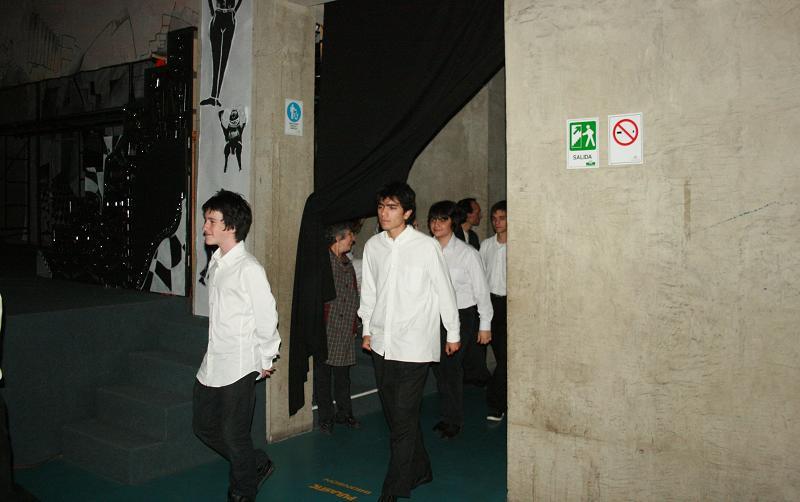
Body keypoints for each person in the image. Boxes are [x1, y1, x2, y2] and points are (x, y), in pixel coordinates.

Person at [359, 181, 460, 501]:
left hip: (414, 345)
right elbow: (369, 291)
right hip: (381, 343)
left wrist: (453, 332)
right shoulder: (373, 246)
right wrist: (367, 328)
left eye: (392, 207)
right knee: (396, 415)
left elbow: (445, 290)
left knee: (402, 419)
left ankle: (394, 488)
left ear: (407, 213)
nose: (384, 213)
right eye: (381, 206)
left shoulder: (426, 247)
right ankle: (421, 468)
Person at [193, 190, 281, 502]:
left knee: (234, 434)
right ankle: (255, 462)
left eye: (211, 221)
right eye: (206, 220)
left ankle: (243, 491)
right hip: (214, 361)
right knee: (203, 426)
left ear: (230, 226)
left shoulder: (249, 268)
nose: (205, 226)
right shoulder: (217, 262)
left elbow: (267, 316)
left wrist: (266, 357)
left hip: (241, 363)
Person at [427, 201, 493, 439]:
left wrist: (485, 325)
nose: (436, 224)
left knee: (451, 368)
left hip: (462, 316)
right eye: (433, 219)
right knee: (439, 368)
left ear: (452, 222)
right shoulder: (427, 249)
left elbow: (482, 291)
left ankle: (453, 420)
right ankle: (447, 414)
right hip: (433, 316)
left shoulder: (467, 253)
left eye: (442, 219)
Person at [314, 221, 361, 434]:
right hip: (326, 328)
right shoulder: (323, 262)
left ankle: (345, 413)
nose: (353, 239)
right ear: (338, 238)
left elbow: (352, 294)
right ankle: (326, 418)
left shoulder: (347, 263)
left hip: (345, 328)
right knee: (323, 376)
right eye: (350, 235)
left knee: (343, 377)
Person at [480, 200, 507, 422]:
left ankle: (496, 402)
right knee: (501, 357)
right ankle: (503, 399)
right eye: (494, 218)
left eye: (502, 218)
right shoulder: (487, 245)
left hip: (513, 305)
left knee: (507, 359)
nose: (497, 222)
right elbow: (480, 277)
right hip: (491, 304)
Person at [201, 0, 243, 106]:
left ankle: (216, 97)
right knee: (216, 56)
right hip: (218, 14)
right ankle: (212, 97)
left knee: (224, 56)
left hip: (229, 15)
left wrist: (234, 11)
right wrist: (212, 11)